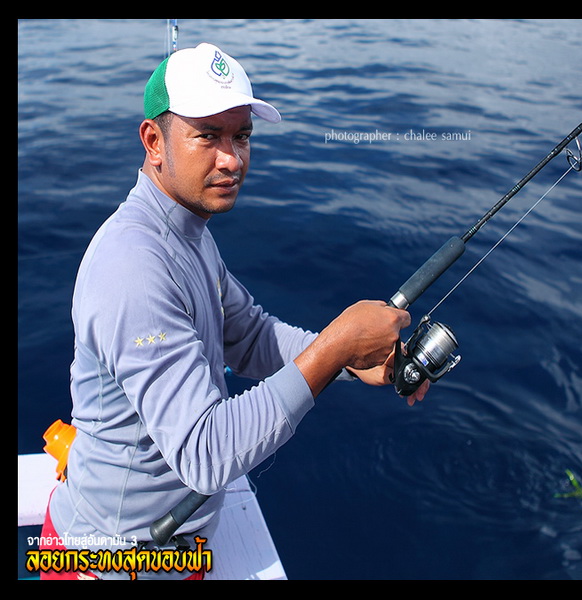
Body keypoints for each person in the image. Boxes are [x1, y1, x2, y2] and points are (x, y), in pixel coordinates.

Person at [40, 42, 428, 580]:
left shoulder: (188, 234)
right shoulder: (132, 266)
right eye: (208, 135)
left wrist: (351, 359)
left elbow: (247, 335)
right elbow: (204, 452)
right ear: (154, 142)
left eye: (241, 135)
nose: (232, 158)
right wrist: (335, 346)